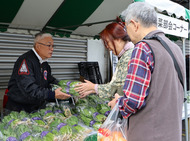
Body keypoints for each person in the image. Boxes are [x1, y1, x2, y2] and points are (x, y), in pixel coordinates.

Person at [108, 2, 185, 141]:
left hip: (148, 134)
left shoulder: (143, 48)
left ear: (134, 24)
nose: (127, 34)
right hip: (173, 133)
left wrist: (118, 104)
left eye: (126, 28)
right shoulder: (175, 48)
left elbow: (132, 102)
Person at [6, 32, 71, 113]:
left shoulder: (44, 64)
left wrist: (68, 87)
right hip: (19, 109)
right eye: (49, 45)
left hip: (35, 107)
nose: (52, 49)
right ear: (38, 46)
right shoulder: (26, 60)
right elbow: (29, 88)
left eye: (53, 46)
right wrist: (51, 94)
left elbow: (50, 80)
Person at [75, 17, 134, 99]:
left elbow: (118, 87)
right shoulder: (127, 54)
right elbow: (115, 86)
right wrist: (92, 90)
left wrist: (93, 87)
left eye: (108, 42)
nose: (108, 47)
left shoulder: (128, 57)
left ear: (118, 39)